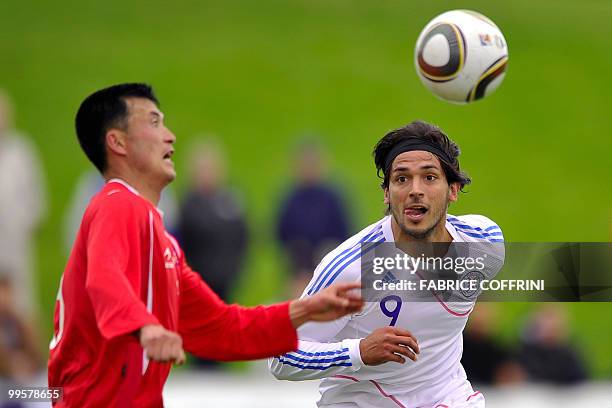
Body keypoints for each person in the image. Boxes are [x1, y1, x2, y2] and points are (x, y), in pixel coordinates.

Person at [47, 83, 363, 407]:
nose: (169, 136)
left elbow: (223, 329)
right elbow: (104, 277)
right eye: (154, 122)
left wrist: (302, 310)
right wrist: (144, 328)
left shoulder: (161, 239)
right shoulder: (118, 204)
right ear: (117, 142)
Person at [269, 120, 505, 407]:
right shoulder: (353, 267)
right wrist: (358, 351)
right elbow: (281, 356)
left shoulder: (484, 241)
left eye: (429, 177)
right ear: (387, 193)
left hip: (447, 398)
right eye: (401, 179)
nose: (415, 190)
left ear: (453, 190)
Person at [176, 139, 249, 369]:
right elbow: (182, 242)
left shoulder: (230, 201)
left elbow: (243, 235)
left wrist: (236, 268)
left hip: (225, 280)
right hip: (199, 281)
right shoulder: (189, 205)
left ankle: (220, 375)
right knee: (202, 334)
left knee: (224, 332)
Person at [276, 140, 351, 297]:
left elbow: (345, 231)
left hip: (328, 263)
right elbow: (281, 232)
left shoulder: (332, 198)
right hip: (299, 267)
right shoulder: (291, 198)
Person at [0, 90, 47, 319]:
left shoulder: (21, 152)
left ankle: (34, 355)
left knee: (22, 308)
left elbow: (35, 198)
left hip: (17, 244)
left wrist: (25, 223)